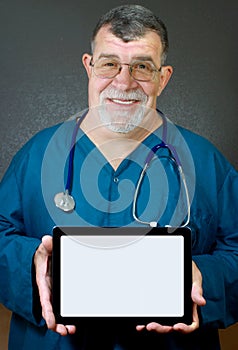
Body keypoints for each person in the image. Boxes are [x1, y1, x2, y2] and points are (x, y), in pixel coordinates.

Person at [0, 4, 238, 350]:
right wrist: (32, 263)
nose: (123, 82)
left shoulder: (205, 162)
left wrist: (205, 278)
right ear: (89, 66)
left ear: (163, 76)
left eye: (142, 66)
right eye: (110, 63)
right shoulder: (38, 155)